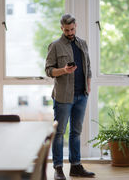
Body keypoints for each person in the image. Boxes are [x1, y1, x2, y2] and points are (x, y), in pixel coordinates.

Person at [45, 14, 95, 180]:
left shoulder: (83, 44)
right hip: (63, 97)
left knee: (76, 132)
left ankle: (76, 166)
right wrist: (63, 70)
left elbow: (88, 67)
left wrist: (88, 86)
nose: (70, 32)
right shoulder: (55, 46)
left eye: (72, 29)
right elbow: (49, 70)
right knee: (59, 132)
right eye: (66, 30)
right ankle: (58, 168)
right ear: (61, 28)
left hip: (82, 95)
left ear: (76, 26)